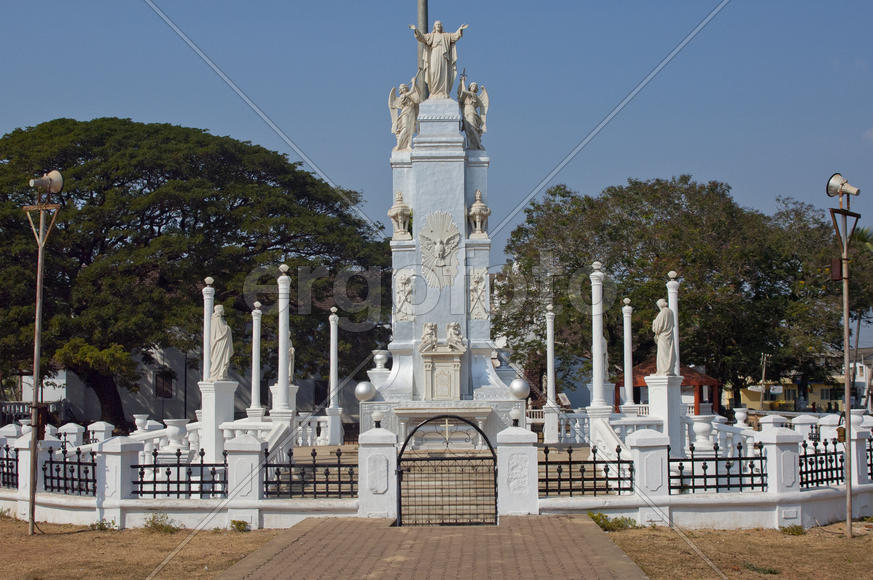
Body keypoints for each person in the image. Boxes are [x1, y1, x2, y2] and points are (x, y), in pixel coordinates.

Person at [410, 21, 468, 98]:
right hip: (434, 54)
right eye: (437, 24)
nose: (438, 25)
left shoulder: (446, 35)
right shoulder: (431, 36)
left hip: (443, 57)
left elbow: (455, 36)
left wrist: (460, 29)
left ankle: (444, 92)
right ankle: (434, 92)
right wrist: (415, 30)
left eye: (440, 24)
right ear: (434, 27)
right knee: (433, 72)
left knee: (443, 73)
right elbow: (422, 37)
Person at [388, 77, 423, 151]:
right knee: (405, 128)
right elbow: (412, 90)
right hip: (405, 113)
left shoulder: (410, 96)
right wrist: (413, 82)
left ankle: (408, 145)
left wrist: (415, 84)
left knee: (411, 130)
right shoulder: (403, 96)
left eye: (403, 88)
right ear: (400, 91)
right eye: (401, 88)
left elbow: (417, 97)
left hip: (411, 112)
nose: (403, 89)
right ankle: (399, 145)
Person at [457, 75, 488, 149]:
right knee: (468, 131)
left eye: (475, 86)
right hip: (465, 112)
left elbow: (464, 91)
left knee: (472, 128)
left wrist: (463, 82)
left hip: (472, 112)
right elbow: (461, 96)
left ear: (476, 89)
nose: (474, 87)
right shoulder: (467, 96)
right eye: (472, 86)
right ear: (470, 87)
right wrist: (462, 82)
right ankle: (471, 146)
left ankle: (478, 144)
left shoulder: (474, 95)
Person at [209, 305, 234, 380]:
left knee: (221, 359)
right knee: (218, 359)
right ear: (219, 310)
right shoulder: (217, 319)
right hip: (220, 343)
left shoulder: (217, 319)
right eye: (222, 309)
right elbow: (222, 332)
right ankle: (217, 374)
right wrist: (228, 327)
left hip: (222, 343)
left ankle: (221, 373)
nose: (224, 311)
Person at [651, 299, 675, 376]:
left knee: (663, 354)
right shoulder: (670, 312)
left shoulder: (663, 312)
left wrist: (654, 322)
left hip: (663, 336)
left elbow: (658, 326)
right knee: (667, 353)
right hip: (669, 335)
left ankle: (663, 370)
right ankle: (667, 369)